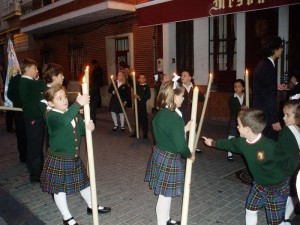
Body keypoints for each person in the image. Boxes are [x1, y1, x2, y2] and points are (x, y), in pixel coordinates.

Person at [203, 109, 289, 225]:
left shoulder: (270, 146)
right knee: (250, 209)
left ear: (248, 129)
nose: (237, 127)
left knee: (275, 222)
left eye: (239, 125)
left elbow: (287, 161)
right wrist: (213, 143)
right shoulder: (242, 143)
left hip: (276, 189)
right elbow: (229, 144)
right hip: (259, 185)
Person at [40, 85, 111, 225]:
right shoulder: (52, 116)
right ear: (51, 103)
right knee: (59, 190)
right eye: (59, 98)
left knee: (84, 184)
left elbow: (82, 131)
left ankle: (92, 205)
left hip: (74, 158)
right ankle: (66, 217)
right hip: (59, 159)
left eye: (65, 97)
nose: (64, 100)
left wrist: (89, 127)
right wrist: (78, 103)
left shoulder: (73, 114)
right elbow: (63, 121)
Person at [145, 77, 195, 225]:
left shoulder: (161, 113)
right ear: (173, 96)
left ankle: (166, 219)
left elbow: (168, 133)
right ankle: (162, 222)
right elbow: (180, 146)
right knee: (165, 196)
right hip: (169, 158)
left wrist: (184, 128)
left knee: (165, 194)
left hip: (160, 154)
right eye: (181, 95)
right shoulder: (174, 117)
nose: (184, 97)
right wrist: (189, 154)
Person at [19, 58, 46, 183]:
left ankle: (39, 171)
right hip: (33, 118)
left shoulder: (30, 82)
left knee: (37, 145)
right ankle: (35, 174)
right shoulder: (25, 82)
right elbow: (42, 84)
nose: (36, 70)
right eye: (35, 68)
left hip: (36, 117)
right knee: (34, 146)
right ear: (27, 69)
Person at [252, 35, 285, 140]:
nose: (282, 49)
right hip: (266, 114)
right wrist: (275, 119)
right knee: (267, 144)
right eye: (280, 47)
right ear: (274, 50)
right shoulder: (268, 67)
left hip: (260, 111)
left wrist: (275, 87)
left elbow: (263, 88)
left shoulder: (263, 64)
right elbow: (269, 96)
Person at [276, 100, 300, 225]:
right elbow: (288, 156)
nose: (284, 117)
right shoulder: (286, 132)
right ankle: (282, 219)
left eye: (287, 115)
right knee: (286, 196)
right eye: (284, 114)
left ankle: (286, 217)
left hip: (296, 171)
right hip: (288, 171)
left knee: (293, 196)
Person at [179, 71, 204, 154]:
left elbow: (201, 98)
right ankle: (183, 146)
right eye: (182, 75)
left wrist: (201, 96)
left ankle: (194, 146)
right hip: (182, 111)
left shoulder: (194, 88)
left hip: (192, 111)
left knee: (193, 127)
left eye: (185, 75)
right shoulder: (179, 87)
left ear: (190, 78)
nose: (182, 77)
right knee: (183, 127)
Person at [7, 72, 27, 163]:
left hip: (19, 110)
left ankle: (23, 156)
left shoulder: (15, 79)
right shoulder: (18, 79)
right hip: (23, 111)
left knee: (21, 134)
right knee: (23, 134)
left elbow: (9, 95)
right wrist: (19, 102)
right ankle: (24, 155)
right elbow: (10, 94)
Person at [226, 79, 247, 161]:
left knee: (244, 135)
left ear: (243, 88)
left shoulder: (247, 97)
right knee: (232, 134)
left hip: (245, 119)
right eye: (235, 87)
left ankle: (244, 151)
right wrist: (241, 108)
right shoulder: (232, 98)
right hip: (234, 118)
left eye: (239, 86)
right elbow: (234, 108)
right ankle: (229, 153)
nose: (237, 88)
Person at [130, 74, 151, 139]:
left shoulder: (147, 87)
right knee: (137, 119)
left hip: (142, 105)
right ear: (138, 79)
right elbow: (131, 82)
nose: (141, 79)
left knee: (144, 119)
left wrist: (140, 97)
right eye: (140, 78)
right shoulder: (136, 86)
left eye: (143, 78)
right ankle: (136, 132)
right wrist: (130, 75)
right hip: (137, 105)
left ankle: (145, 134)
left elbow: (148, 96)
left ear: (145, 79)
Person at [90, 60, 104, 125]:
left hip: (97, 84)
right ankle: (98, 104)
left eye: (93, 64)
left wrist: (96, 83)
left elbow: (98, 77)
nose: (93, 66)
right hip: (94, 84)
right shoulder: (94, 69)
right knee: (96, 94)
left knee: (98, 94)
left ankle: (99, 104)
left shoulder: (99, 69)